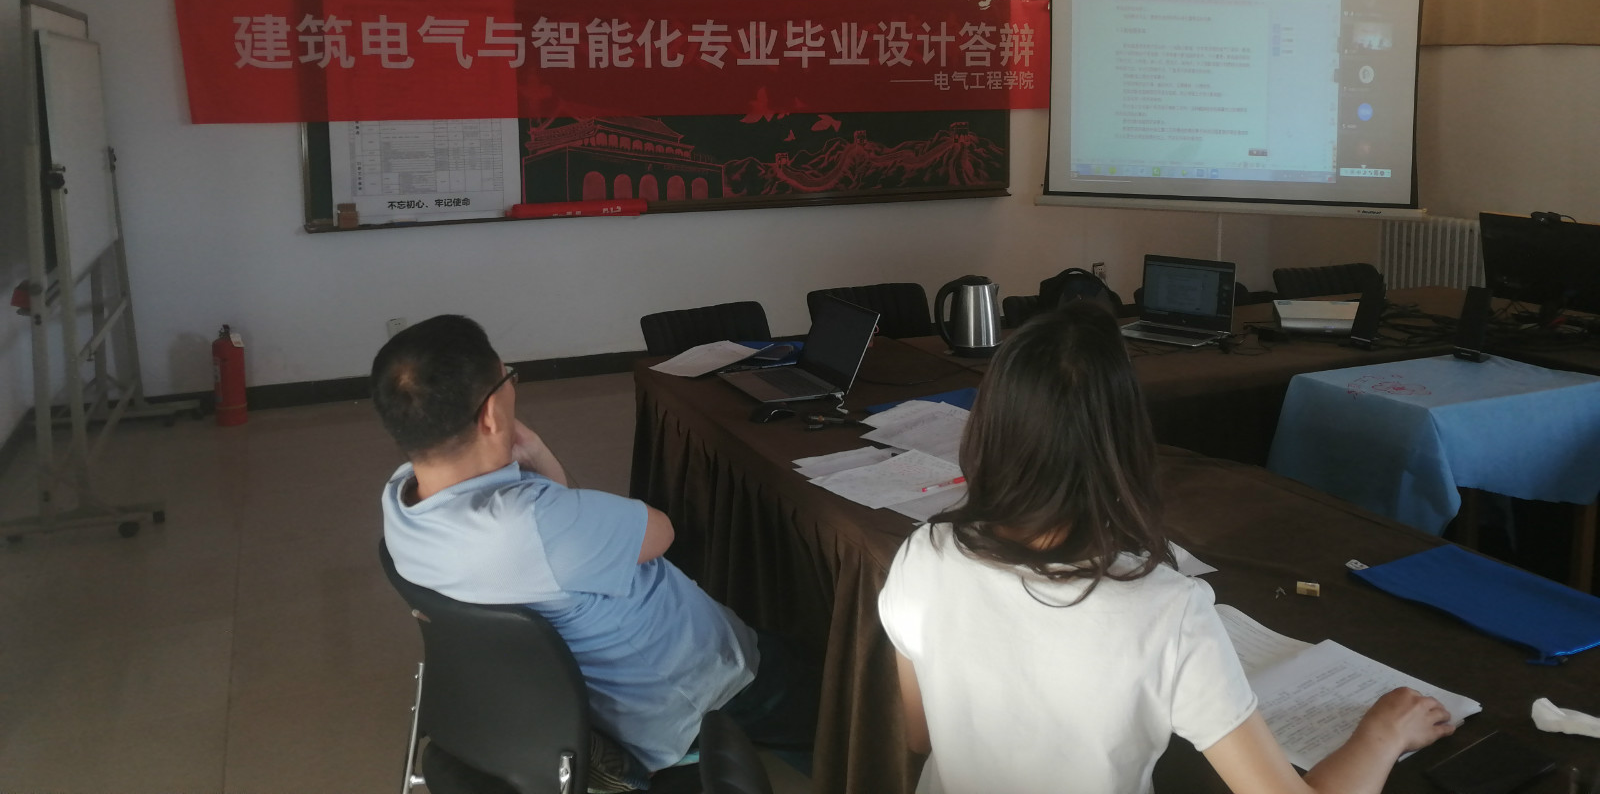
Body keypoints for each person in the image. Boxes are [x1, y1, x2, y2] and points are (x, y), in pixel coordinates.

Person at [877, 301, 1456, 794]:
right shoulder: (1167, 609)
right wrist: (1382, 734)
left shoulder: (923, 551)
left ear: (989, 428)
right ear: (1128, 443)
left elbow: (919, 735)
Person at [372, 314, 814, 783]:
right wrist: (538, 451)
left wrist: (532, 457)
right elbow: (661, 532)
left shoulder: (401, 501)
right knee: (829, 690)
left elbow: (558, 538)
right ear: (490, 415)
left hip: (567, 703)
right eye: (508, 379)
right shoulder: (535, 524)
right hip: (696, 695)